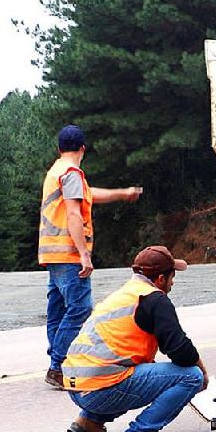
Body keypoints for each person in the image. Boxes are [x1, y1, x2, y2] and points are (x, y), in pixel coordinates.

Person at [62, 246, 208, 432]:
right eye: (172, 277)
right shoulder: (155, 299)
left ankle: (89, 424)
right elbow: (180, 350)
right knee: (191, 376)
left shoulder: (124, 294)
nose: (173, 283)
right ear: (160, 278)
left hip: (77, 388)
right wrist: (204, 374)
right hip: (101, 390)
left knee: (138, 373)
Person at [40, 125, 142, 389]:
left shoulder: (57, 171)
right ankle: (58, 366)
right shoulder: (72, 173)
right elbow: (74, 213)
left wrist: (122, 193)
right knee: (80, 309)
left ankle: (58, 363)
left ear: (60, 148)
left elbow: (88, 194)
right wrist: (84, 255)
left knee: (59, 311)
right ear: (83, 148)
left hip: (52, 253)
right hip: (69, 253)